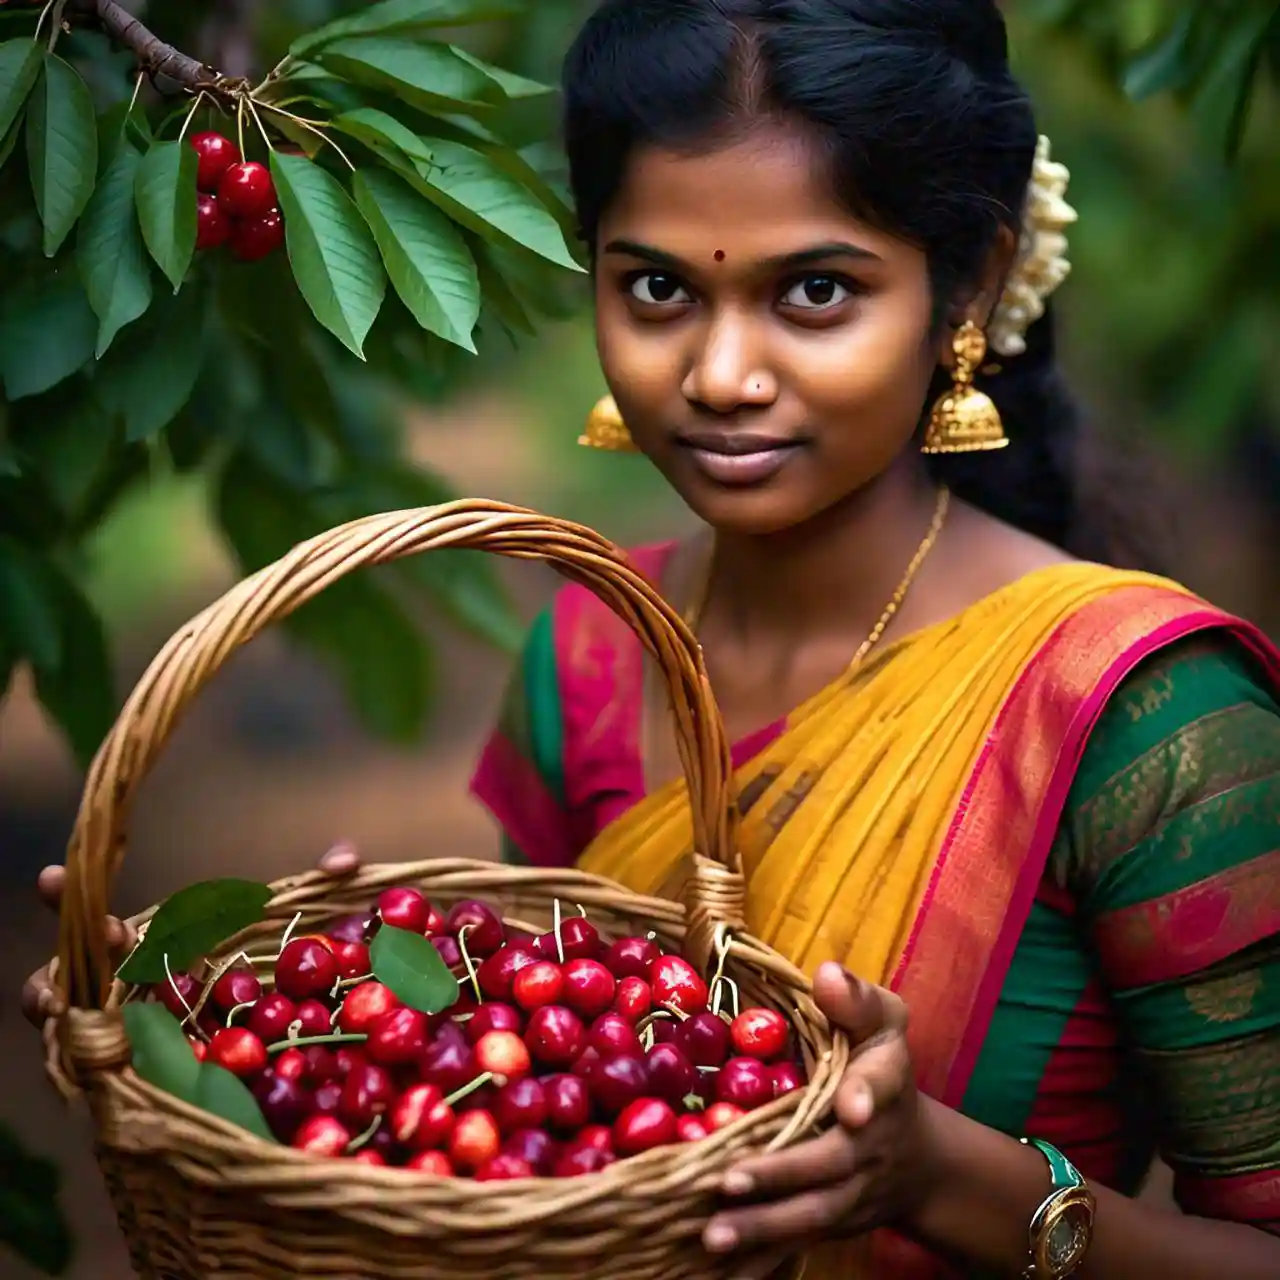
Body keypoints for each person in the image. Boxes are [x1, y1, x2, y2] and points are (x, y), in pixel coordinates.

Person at [22, 1, 1280, 1276]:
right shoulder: (591, 652)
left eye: (816, 290)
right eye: (659, 288)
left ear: (968, 285)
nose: (721, 372)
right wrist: (260, 1005)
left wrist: (937, 1173)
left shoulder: (1149, 716)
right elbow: (554, 1093)